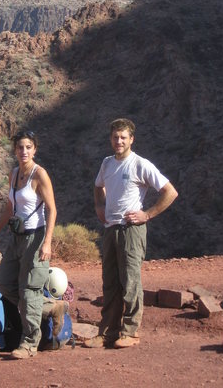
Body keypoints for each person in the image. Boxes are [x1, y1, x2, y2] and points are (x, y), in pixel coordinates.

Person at [84, 118, 178, 349]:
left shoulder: (140, 164)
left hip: (131, 230)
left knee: (131, 281)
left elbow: (170, 192)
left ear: (131, 139)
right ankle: (107, 331)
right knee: (111, 282)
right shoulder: (107, 164)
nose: (119, 141)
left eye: (123, 137)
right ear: (110, 138)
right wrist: (99, 207)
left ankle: (130, 331)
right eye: (115, 137)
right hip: (110, 229)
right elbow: (98, 186)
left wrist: (147, 214)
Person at [0, 129, 57, 359]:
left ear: (34, 149)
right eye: (19, 147)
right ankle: (46, 307)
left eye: (28, 147)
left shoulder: (39, 174)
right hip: (16, 238)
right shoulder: (14, 174)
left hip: (35, 238)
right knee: (5, 285)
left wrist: (47, 243)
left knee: (29, 289)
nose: (23, 151)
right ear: (15, 150)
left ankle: (29, 343)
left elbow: (52, 209)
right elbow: (9, 209)